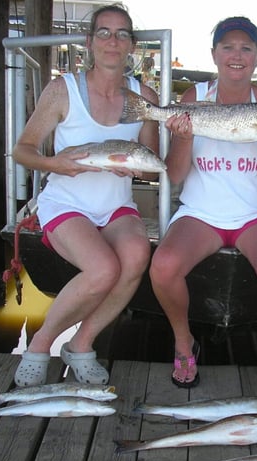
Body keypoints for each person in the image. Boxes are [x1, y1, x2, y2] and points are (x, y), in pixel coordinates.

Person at [11, 4, 159, 387]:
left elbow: (150, 160)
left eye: (123, 33)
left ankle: (80, 344)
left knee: (137, 255)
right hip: (67, 203)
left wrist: (138, 168)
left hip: (116, 207)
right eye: (104, 32)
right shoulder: (63, 89)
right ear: (90, 41)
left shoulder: (143, 95)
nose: (113, 41)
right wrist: (58, 164)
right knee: (103, 269)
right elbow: (23, 150)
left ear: (132, 46)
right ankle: (40, 345)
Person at [148, 16, 257, 390]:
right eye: (228, 47)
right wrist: (182, 137)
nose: (237, 55)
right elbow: (177, 175)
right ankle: (184, 341)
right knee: (163, 267)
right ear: (214, 53)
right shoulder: (194, 98)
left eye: (246, 48)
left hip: (256, 214)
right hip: (201, 212)